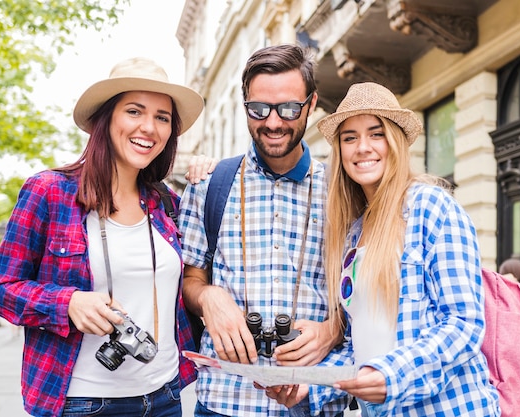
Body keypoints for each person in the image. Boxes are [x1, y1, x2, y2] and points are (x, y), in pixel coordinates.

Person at [0, 57, 204, 417]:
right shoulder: (49, 192)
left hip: (165, 397)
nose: (149, 127)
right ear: (107, 118)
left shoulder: (169, 203)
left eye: (162, 117)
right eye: (134, 111)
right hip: (84, 402)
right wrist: (67, 303)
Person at [269, 82, 501, 416]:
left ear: (395, 141)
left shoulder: (431, 207)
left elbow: (463, 324)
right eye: (350, 138)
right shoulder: (354, 233)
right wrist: (308, 387)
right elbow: (360, 345)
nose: (362, 147)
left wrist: (390, 375)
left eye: (376, 134)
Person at [179, 44, 351, 417]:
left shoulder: (342, 190)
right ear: (245, 105)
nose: (273, 122)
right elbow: (190, 277)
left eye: (289, 108)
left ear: (312, 103)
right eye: (259, 109)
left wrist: (333, 330)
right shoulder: (208, 185)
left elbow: (365, 293)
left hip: (314, 400)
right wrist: (209, 297)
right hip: (225, 401)